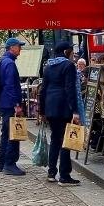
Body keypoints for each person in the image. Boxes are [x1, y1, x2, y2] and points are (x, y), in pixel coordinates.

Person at [39, 41, 83, 185]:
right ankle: (64, 175)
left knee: (55, 140)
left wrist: (42, 110)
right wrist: (75, 111)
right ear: (66, 52)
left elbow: (43, 89)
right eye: (71, 52)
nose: (73, 55)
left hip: (51, 107)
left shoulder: (49, 66)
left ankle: (51, 172)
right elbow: (70, 89)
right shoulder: (68, 65)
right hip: (64, 107)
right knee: (65, 141)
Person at [0, 37, 26, 176]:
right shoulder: (9, 63)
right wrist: (16, 105)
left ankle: (2, 163)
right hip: (9, 104)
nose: (20, 49)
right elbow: (10, 86)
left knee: (6, 134)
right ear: (12, 47)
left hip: (5, 102)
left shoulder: (4, 61)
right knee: (12, 134)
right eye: (19, 46)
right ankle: (9, 163)